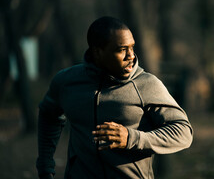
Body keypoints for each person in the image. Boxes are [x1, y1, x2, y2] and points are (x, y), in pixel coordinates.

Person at [36, 16, 193, 179]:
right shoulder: (66, 81)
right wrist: (45, 166)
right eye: (121, 49)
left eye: (132, 47)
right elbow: (49, 115)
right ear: (97, 52)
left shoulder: (146, 84)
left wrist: (132, 138)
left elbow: (183, 132)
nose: (131, 56)